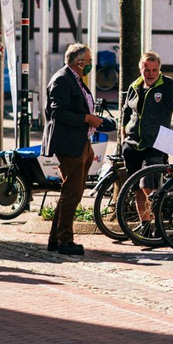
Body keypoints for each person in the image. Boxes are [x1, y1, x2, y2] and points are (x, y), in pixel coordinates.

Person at [42, 44, 104, 255]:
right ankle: (65, 240)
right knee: (72, 193)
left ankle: (56, 238)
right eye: (88, 61)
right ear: (78, 63)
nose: (90, 65)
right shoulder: (62, 79)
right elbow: (58, 113)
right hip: (68, 143)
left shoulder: (75, 80)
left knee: (72, 191)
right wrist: (87, 118)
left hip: (80, 142)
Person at [120, 51, 173, 236]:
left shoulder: (167, 84)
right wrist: (123, 131)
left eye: (154, 70)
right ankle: (145, 224)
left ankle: (158, 224)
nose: (150, 73)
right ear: (140, 69)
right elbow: (126, 111)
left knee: (151, 186)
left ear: (159, 69)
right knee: (136, 188)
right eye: (146, 70)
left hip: (156, 141)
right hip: (133, 142)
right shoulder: (135, 86)